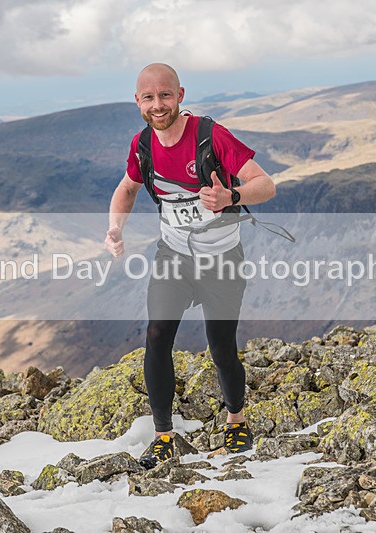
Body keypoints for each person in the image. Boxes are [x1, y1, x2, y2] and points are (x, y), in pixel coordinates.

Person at [104, 63, 276, 468]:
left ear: (180, 95)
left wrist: (231, 196)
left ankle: (236, 420)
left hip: (221, 259)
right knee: (158, 335)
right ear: (138, 102)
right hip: (174, 256)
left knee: (220, 346)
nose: (158, 104)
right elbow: (127, 188)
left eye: (165, 95)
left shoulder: (209, 135)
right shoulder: (142, 143)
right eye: (149, 97)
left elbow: (265, 183)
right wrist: (115, 228)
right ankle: (163, 435)